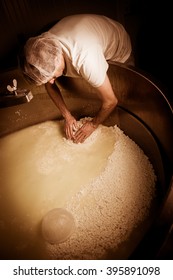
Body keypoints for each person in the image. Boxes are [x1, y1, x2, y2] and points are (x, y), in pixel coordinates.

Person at [22, 14, 133, 143]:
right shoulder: (43, 46)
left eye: (52, 76)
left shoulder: (86, 60)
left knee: (126, 90)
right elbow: (49, 84)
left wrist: (93, 124)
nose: (51, 81)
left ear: (58, 59)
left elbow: (111, 101)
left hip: (118, 43)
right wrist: (67, 116)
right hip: (89, 36)